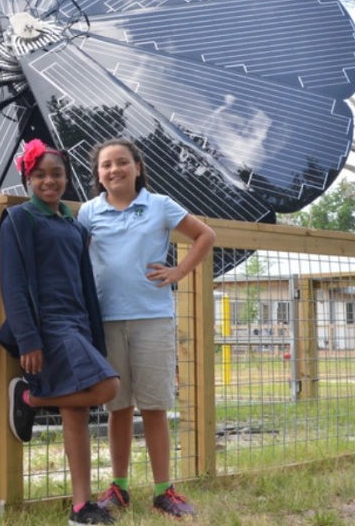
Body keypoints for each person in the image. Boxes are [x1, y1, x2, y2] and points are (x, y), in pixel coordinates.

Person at [78, 138, 216, 521]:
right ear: (98, 174)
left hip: (152, 318)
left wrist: (179, 271)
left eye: (122, 162)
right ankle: (118, 488)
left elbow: (205, 235)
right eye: (106, 165)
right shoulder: (88, 212)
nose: (114, 170)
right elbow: (76, 258)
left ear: (137, 167)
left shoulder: (160, 205)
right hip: (105, 321)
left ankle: (163, 491)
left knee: (154, 406)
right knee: (118, 406)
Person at [0, 139, 120, 525]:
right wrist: (28, 338)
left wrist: (95, 336)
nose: (49, 181)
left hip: (78, 324)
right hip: (48, 327)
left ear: (67, 178)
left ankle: (81, 506)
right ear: (27, 179)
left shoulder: (74, 224)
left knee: (77, 412)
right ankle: (31, 398)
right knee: (108, 387)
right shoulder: (20, 219)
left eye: (57, 174)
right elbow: (12, 284)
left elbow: (86, 285)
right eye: (40, 175)